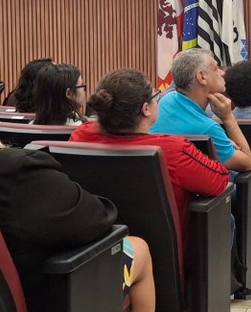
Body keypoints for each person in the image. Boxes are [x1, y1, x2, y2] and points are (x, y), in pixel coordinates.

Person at [150, 48, 251, 261]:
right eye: (215, 68)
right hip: (203, 196)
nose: (222, 72)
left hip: (172, 190)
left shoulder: (166, 101)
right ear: (201, 77)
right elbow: (247, 163)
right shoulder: (208, 127)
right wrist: (228, 118)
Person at [0, 139, 155, 312]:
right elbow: (96, 217)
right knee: (139, 247)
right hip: (49, 301)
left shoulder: (78, 135)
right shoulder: (15, 170)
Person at [70, 68, 230, 238]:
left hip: (97, 246)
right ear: (146, 109)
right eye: (156, 96)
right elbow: (220, 180)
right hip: (163, 251)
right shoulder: (172, 149)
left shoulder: (81, 135)